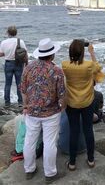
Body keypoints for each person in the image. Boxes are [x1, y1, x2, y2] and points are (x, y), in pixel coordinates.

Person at [21, 38, 65, 183]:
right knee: (50, 143)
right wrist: (61, 108)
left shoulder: (28, 68)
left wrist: (26, 106)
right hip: (51, 113)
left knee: (29, 140)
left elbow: (23, 90)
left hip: (32, 112)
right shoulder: (57, 70)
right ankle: (50, 174)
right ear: (52, 55)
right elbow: (61, 95)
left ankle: (29, 170)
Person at [62, 40, 104, 170]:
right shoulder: (89, 65)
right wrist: (92, 52)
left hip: (72, 103)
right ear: (82, 52)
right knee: (88, 130)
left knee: (74, 131)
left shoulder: (65, 65)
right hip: (87, 102)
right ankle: (91, 160)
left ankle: (72, 163)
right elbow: (98, 68)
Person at [0, 26, 27, 106]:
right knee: (19, 83)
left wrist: (7, 53)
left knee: (8, 84)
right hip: (18, 63)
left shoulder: (4, 42)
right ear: (16, 33)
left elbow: (1, 53)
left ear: (8, 33)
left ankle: (7, 102)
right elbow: (25, 53)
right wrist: (26, 63)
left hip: (8, 64)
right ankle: (20, 102)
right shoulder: (20, 41)